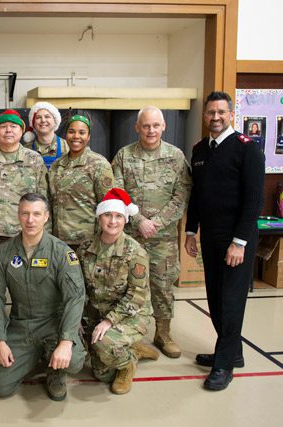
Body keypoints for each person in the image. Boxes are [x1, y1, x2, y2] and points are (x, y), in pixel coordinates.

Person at [185, 91, 265, 391]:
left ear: (231, 114)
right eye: (210, 113)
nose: (215, 117)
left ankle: (224, 366)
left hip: (237, 239)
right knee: (216, 298)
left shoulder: (248, 150)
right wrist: (191, 231)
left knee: (231, 301)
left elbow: (254, 201)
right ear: (205, 116)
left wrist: (239, 242)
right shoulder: (200, 149)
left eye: (221, 112)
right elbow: (197, 195)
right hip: (211, 237)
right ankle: (234, 351)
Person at [0, 193, 86, 401]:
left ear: (46, 217)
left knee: (75, 361)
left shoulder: (61, 253)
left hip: (53, 324)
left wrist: (66, 341)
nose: (30, 220)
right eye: (25, 213)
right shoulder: (4, 253)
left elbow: (75, 298)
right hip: (21, 325)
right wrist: (0, 339)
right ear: (18, 215)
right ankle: (36, 355)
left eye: (36, 214)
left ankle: (55, 368)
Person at [111, 106, 192, 358]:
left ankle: (163, 333)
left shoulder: (176, 156)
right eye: (146, 125)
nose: (151, 130)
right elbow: (117, 191)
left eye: (156, 125)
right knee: (125, 285)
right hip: (131, 237)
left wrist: (156, 222)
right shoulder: (124, 156)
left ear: (164, 126)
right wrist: (139, 220)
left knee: (162, 286)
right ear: (137, 127)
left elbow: (182, 194)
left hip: (163, 238)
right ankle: (128, 334)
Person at [0, 109, 49, 351]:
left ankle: (22, 329)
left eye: (14, 127)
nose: (8, 130)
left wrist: (44, 233)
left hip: (21, 233)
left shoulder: (33, 160)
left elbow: (44, 198)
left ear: (22, 131)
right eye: (3, 127)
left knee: (24, 285)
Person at [77, 188, 158, 395]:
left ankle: (128, 363)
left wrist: (109, 321)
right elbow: (79, 287)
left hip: (131, 314)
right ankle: (132, 348)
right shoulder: (85, 248)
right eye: (107, 215)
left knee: (104, 345)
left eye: (118, 216)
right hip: (97, 311)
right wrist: (75, 317)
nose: (113, 221)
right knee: (100, 373)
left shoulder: (135, 252)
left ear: (125, 219)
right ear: (99, 217)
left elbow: (136, 296)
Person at [49, 113, 113, 251]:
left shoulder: (99, 164)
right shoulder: (56, 166)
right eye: (71, 132)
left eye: (82, 132)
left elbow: (108, 205)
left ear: (88, 137)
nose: (76, 136)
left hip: (87, 243)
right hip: (58, 241)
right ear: (66, 135)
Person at [22, 102, 69, 168]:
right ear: (33, 123)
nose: (43, 120)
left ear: (55, 121)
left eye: (47, 116)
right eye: (38, 117)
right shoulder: (26, 150)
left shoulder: (67, 147)